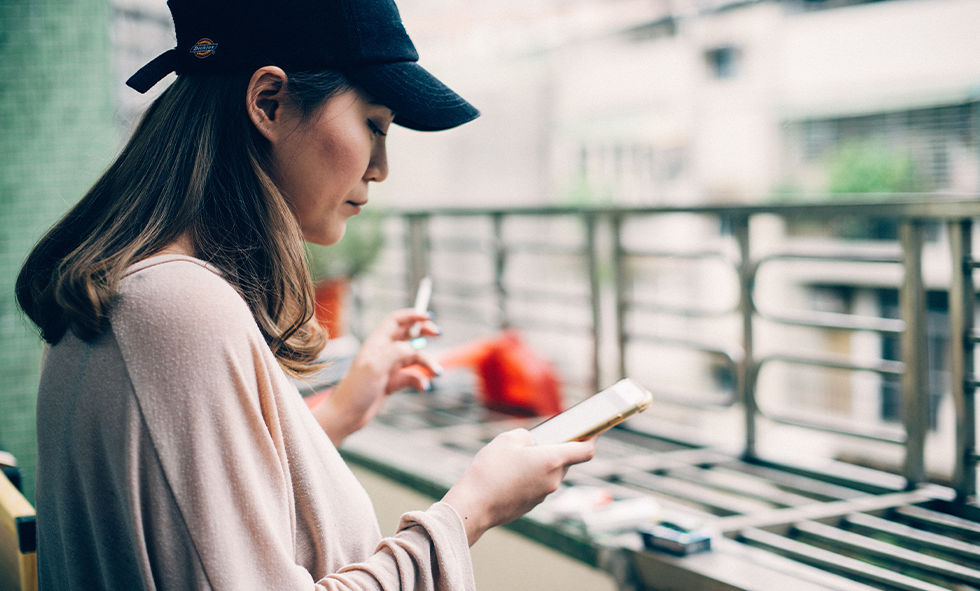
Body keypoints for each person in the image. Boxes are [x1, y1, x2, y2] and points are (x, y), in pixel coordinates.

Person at [15, 0, 596, 589]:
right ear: (268, 103)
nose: (382, 168)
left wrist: (342, 411)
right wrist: (469, 512)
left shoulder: (131, 292)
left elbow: (201, 515)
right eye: (374, 125)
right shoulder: (176, 307)